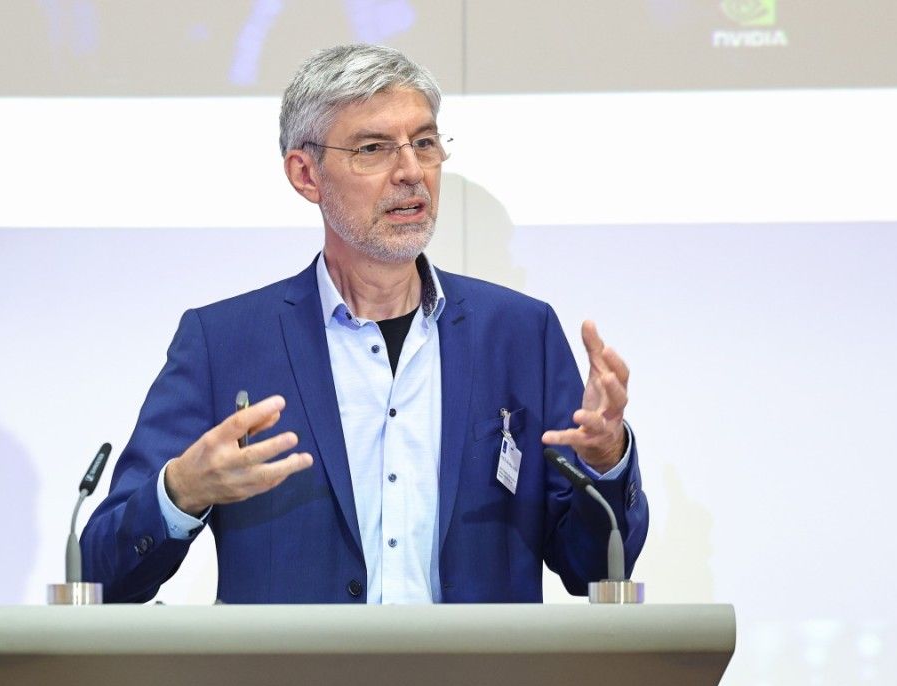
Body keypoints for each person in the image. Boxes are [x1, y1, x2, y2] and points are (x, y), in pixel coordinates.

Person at [81, 43, 646, 604]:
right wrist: (180, 491)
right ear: (306, 174)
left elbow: (592, 570)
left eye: (424, 143)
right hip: (293, 668)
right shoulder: (224, 344)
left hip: (476, 669)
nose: (411, 172)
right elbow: (101, 576)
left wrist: (606, 461)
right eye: (373, 149)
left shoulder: (521, 334)